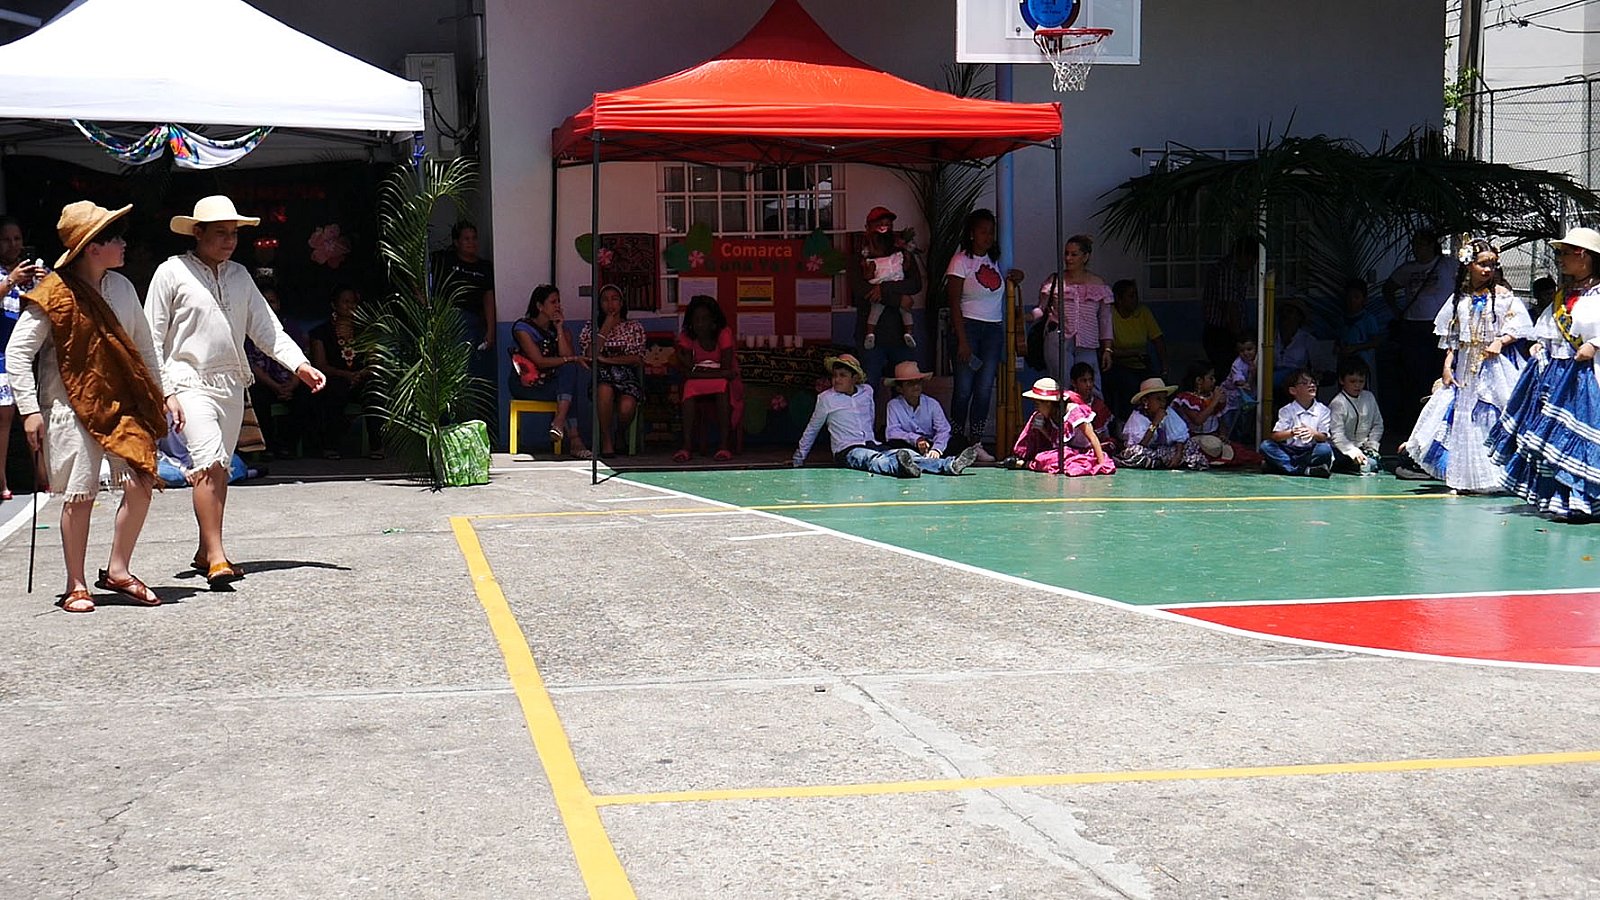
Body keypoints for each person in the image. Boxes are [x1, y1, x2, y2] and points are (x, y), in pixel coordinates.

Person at [147, 196, 327, 589]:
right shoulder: (171, 272)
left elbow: (266, 328)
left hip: (231, 384)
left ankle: (204, 549)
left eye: (233, 233)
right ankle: (217, 557)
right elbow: (151, 338)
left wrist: (299, 365)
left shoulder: (240, 275)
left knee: (221, 469)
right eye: (220, 233)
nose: (229, 240)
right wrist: (165, 391)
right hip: (187, 381)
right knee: (208, 463)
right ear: (198, 233)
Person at [5, 201, 167, 611]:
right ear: (93, 248)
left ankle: (119, 570)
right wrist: (29, 410)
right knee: (80, 495)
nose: (124, 244)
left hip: (120, 405)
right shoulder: (54, 294)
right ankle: (75, 585)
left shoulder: (122, 288)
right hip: (69, 407)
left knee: (142, 480)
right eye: (116, 238)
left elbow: (144, 346)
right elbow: (18, 353)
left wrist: (161, 395)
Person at [1488, 227, 1600, 520]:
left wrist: (1594, 344)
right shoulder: (1563, 295)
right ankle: (1564, 500)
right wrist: (1541, 344)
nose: (1560, 259)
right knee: (1555, 439)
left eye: (1565, 253)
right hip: (1560, 374)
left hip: (1589, 376)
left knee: (1582, 437)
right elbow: (1549, 329)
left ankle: (1587, 500)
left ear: (1584, 256)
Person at [1403, 239, 1530, 494]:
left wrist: (1500, 341)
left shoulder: (1503, 297)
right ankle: (1466, 478)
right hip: (1465, 365)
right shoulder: (1459, 299)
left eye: (1492, 265)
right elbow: (1452, 336)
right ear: (1469, 265)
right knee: (1465, 416)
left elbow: (1519, 326)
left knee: (1490, 411)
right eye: (1482, 264)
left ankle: (1496, 476)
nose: (1487, 270)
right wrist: (1447, 365)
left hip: (1492, 364)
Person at [794, 353, 976, 477]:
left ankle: (949, 465)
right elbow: (812, 428)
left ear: (855, 378)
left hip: (871, 442)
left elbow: (870, 417)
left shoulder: (866, 392)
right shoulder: (826, 399)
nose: (836, 379)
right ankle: (899, 468)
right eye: (835, 375)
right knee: (871, 459)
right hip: (846, 449)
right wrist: (798, 459)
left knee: (905, 454)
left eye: (842, 375)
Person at [946, 209, 1025, 462]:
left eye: (991, 232)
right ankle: (956, 439)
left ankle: (976, 441)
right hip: (968, 327)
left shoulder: (996, 260)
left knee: (983, 390)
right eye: (983, 231)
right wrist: (962, 340)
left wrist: (1018, 276)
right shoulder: (960, 261)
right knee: (963, 389)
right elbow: (954, 303)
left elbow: (1011, 279)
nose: (988, 236)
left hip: (993, 330)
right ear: (971, 234)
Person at [1383, 231, 1454, 434]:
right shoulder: (1408, 269)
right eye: (1415, 245)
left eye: (1422, 244)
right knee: (1413, 375)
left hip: (1439, 327)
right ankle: (1411, 422)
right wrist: (1396, 310)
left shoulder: (1448, 265)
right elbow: (1388, 288)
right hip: (1413, 326)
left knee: (1437, 372)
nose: (1417, 249)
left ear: (1432, 245)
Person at [509, 284, 592, 459]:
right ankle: (574, 439)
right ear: (540, 306)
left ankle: (559, 423)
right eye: (553, 302)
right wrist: (571, 359)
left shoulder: (561, 331)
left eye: (559, 302)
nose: (558, 306)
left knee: (568, 377)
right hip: (527, 386)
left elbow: (566, 356)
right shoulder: (522, 328)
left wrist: (559, 328)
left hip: (551, 384)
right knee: (568, 387)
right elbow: (539, 361)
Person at [0, 215, 47, 502]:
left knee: (36, 413)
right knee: (4, 417)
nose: (13, 245)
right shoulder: (8, 275)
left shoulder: (34, 270)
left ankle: (44, 476)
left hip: (32, 354)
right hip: (1, 351)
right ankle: (1, 480)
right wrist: (10, 281)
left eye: (17, 239)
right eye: (6, 240)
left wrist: (44, 281)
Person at [309, 286, 382, 460]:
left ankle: (377, 445)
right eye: (345, 302)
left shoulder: (366, 329)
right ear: (334, 305)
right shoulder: (321, 332)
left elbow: (375, 361)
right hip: (334, 377)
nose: (350, 306)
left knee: (374, 392)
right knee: (335, 391)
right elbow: (320, 365)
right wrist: (346, 375)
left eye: (354, 302)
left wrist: (360, 374)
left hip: (362, 378)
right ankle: (331, 446)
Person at [1033, 234, 1112, 387]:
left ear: (1085, 257)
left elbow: (1105, 320)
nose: (1068, 258)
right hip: (1058, 339)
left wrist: (1107, 349)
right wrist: (1027, 316)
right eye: (1066, 253)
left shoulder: (1098, 284)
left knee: (1090, 385)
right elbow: (1042, 309)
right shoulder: (1055, 281)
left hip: (1088, 341)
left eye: (1074, 254)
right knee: (1061, 386)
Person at [578, 284, 646, 457]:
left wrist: (607, 359)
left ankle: (620, 433)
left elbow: (636, 358)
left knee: (627, 406)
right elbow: (589, 355)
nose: (610, 304)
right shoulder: (591, 327)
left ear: (622, 303)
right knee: (604, 389)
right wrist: (606, 326)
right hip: (602, 376)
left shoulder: (633, 327)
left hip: (626, 376)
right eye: (605, 300)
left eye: (614, 299)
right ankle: (606, 440)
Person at [245, 281, 311, 459]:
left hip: (290, 381)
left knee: (306, 397)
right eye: (264, 302)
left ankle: (287, 445)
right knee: (257, 397)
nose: (269, 306)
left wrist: (292, 384)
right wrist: (275, 386)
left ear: (279, 304)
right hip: (264, 382)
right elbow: (252, 364)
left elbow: (301, 356)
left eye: (272, 301)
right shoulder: (248, 328)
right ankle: (267, 446)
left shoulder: (291, 328)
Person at [673, 294, 740, 463]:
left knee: (723, 386)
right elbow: (688, 370)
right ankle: (686, 446)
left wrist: (701, 371)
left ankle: (724, 446)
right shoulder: (687, 336)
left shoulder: (724, 333)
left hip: (726, 382)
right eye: (696, 319)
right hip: (699, 381)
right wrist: (712, 373)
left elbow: (727, 369)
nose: (700, 324)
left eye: (705, 319)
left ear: (714, 321)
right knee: (688, 387)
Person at [432, 220, 497, 383]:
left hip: (475, 321)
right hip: (451, 320)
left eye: (474, 238)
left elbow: (488, 298)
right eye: (466, 239)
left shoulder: (484, 267)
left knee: (477, 368)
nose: (471, 242)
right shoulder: (445, 261)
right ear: (456, 242)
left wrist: (491, 330)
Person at [1009, 377, 1114, 476]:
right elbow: (1058, 443)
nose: (1036, 408)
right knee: (1044, 457)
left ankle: (1026, 464)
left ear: (1048, 403)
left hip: (1083, 453)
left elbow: (1092, 438)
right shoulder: (1052, 416)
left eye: (1038, 404)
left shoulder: (1075, 412)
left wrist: (1102, 464)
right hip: (1068, 452)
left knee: (1055, 459)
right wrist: (1042, 430)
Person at [1171, 361, 1257, 466]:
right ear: (1199, 381)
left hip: (1213, 441)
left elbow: (1219, 419)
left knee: (1243, 454)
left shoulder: (1212, 396)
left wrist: (1223, 434)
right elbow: (1198, 420)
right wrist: (1215, 401)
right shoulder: (1186, 399)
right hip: (1192, 441)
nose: (1214, 381)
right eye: (1211, 378)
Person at [1104, 278, 1167, 419]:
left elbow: (1158, 340)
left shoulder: (1143, 312)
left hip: (1141, 364)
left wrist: (1164, 368)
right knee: (1129, 385)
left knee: (1159, 385)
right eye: (1131, 296)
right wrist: (1133, 353)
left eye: (1136, 295)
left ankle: (1157, 420)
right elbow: (1107, 351)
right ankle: (1126, 421)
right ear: (1119, 299)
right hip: (1118, 365)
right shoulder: (1109, 313)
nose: (1135, 300)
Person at [856, 208, 917, 351]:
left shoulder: (901, 254)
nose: (884, 229)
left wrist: (884, 287)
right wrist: (899, 299)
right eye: (879, 225)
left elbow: (915, 283)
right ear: (867, 228)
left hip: (900, 337)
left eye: (888, 225)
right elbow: (862, 289)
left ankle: (909, 332)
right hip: (871, 342)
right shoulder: (860, 256)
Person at [1118, 377, 1208, 470]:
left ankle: (1167, 462)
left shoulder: (1168, 412)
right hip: (1148, 451)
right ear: (1145, 401)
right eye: (1158, 399)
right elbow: (1142, 444)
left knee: (1189, 446)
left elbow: (1180, 436)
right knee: (1136, 453)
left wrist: (1178, 455)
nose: (1162, 403)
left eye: (1164, 399)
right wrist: (1155, 423)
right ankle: (1158, 462)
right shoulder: (1137, 418)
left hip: (1164, 451)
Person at [1259, 369, 1334, 477]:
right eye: (1304, 383)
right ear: (1293, 390)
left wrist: (1313, 433)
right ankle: (1305, 470)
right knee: (1266, 446)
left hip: (1310, 450)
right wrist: (1292, 432)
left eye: (1313, 382)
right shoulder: (1286, 410)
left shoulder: (1323, 410)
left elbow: (1323, 437)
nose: (1311, 385)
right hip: (1290, 450)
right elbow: (1275, 436)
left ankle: (1280, 467)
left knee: (1325, 449)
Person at [1202, 236, 1258, 374]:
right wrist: (1239, 337)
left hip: (1229, 331)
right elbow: (1230, 305)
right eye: (1251, 261)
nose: (1252, 266)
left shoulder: (1238, 271)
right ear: (1245, 256)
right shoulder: (1227, 270)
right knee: (1227, 370)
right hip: (1222, 332)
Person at [882, 360, 951, 457]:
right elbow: (892, 432)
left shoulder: (932, 404)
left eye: (918, 382)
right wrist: (916, 439)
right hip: (909, 444)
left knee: (955, 442)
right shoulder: (893, 405)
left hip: (931, 443)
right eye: (909, 383)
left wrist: (937, 449)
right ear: (899, 389)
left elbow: (943, 430)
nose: (916, 386)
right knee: (894, 444)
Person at [1328, 357, 1384, 475]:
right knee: (1369, 464)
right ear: (1342, 381)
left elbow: (1378, 424)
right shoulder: (1338, 403)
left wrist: (1372, 445)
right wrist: (1352, 452)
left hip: (1364, 447)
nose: (1357, 385)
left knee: (1372, 463)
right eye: (1352, 381)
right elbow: (1337, 434)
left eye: (1361, 381)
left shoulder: (1369, 397)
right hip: (1341, 449)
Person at [1338, 277, 1389, 390]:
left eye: (1356, 297)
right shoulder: (1341, 319)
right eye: (1349, 297)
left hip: (1363, 365)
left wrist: (1356, 348)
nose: (1352, 301)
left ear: (1364, 300)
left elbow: (1376, 342)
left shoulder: (1368, 319)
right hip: (1345, 364)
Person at [1068, 362, 1116, 454]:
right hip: (1069, 449)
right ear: (1074, 383)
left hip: (1093, 447)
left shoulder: (1098, 405)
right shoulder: (1067, 403)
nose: (1088, 384)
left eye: (1090, 380)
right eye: (1084, 381)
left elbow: (1101, 436)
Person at [1272, 299, 1317, 397]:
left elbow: (1316, 366)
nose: (1285, 316)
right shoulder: (1270, 338)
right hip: (1272, 381)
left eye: (1290, 312)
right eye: (1283, 312)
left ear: (1299, 317)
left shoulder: (1307, 339)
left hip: (1297, 382)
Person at [1221, 336, 1259, 439]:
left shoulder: (1259, 359)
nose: (1246, 353)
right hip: (1232, 397)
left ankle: (1243, 437)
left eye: (1249, 349)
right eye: (1242, 351)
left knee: (1246, 421)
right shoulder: (1237, 364)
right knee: (1229, 421)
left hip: (1250, 396)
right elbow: (1239, 380)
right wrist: (1245, 381)